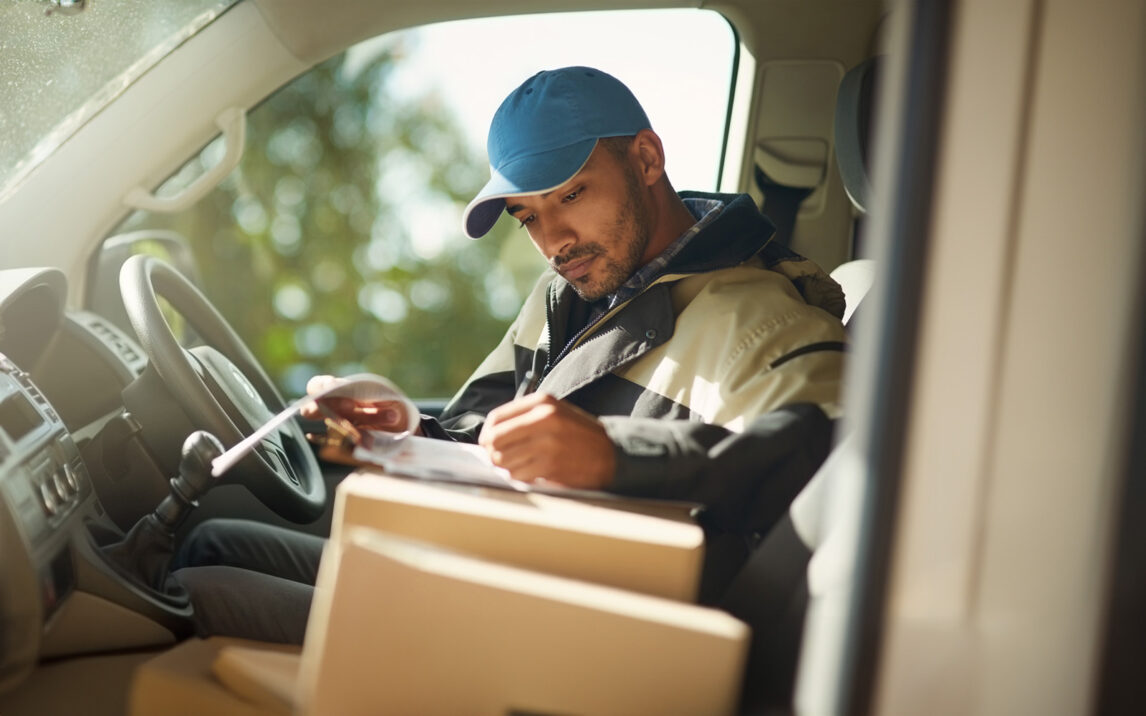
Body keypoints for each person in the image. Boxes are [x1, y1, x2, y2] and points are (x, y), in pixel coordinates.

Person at [172, 66, 849, 643]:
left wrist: (616, 455)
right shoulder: (565, 296)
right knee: (213, 541)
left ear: (646, 159)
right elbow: (477, 436)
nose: (554, 241)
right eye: (528, 216)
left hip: (583, 621)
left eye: (571, 195)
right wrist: (407, 431)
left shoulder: (764, 318)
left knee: (196, 592)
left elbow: (827, 461)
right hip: (491, 556)